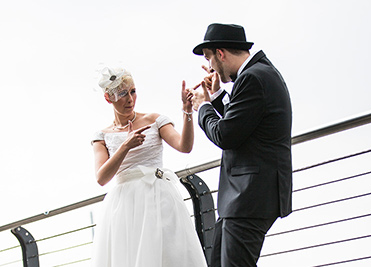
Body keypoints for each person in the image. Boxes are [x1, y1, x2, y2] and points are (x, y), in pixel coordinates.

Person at [190, 23, 293, 267]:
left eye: (209, 58)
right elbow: (243, 123)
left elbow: (225, 135)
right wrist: (215, 98)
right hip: (243, 199)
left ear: (221, 53)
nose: (211, 66)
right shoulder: (258, 74)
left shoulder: (253, 78)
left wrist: (203, 107)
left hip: (249, 197)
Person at [91, 67, 207, 267]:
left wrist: (187, 110)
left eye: (133, 91)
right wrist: (125, 146)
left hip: (159, 198)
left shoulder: (153, 120)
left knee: (170, 255)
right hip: (125, 206)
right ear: (108, 98)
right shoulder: (102, 135)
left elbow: (184, 146)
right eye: (122, 94)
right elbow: (102, 178)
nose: (130, 99)